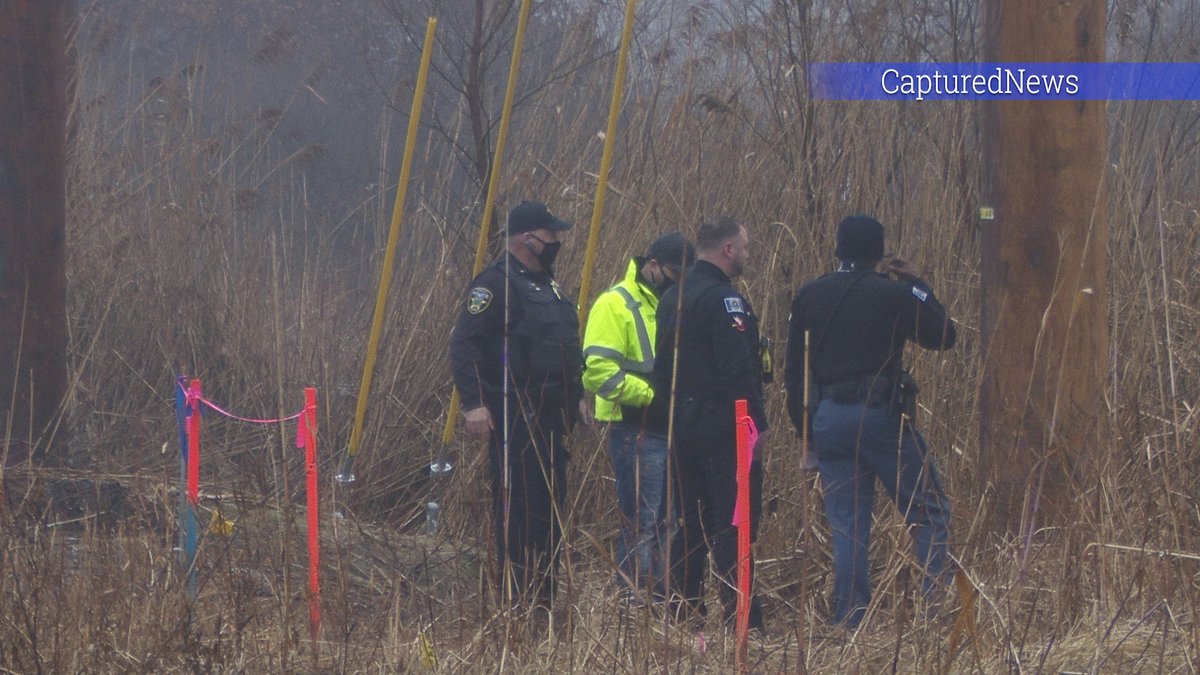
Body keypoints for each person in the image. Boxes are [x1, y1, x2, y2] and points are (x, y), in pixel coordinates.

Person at [784, 214, 956, 629]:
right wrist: (916, 282)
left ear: (838, 249)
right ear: (880, 253)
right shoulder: (893, 295)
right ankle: (933, 615)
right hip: (879, 417)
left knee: (848, 526)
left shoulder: (810, 295)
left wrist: (806, 435)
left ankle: (849, 622)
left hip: (828, 421)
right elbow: (943, 335)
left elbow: (794, 374)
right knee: (930, 512)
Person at [449, 200, 587, 609]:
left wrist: (577, 396)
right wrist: (474, 403)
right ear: (527, 238)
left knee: (550, 513)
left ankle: (543, 598)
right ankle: (516, 600)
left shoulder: (549, 285)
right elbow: (464, 345)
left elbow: (564, 346)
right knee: (520, 513)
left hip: (551, 417)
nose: (557, 241)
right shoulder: (494, 284)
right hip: (514, 417)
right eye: (551, 235)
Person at [652, 217, 769, 630]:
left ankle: (684, 611)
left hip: (678, 426)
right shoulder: (725, 301)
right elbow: (738, 371)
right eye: (746, 246)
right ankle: (742, 619)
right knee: (733, 522)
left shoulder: (671, 298)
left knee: (688, 522)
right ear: (728, 250)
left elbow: (661, 369)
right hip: (725, 427)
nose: (748, 254)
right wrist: (758, 426)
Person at [582, 233, 696, 600]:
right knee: (641, 522)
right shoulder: (616, 304)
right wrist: (650, 397)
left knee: (669, 522)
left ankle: (662, 597)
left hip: (672, 427)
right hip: (635, 427)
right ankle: (632, 599)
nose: (680, 281)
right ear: (652, 266)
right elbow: (598, 371)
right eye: (674, 273)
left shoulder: (676, 303)